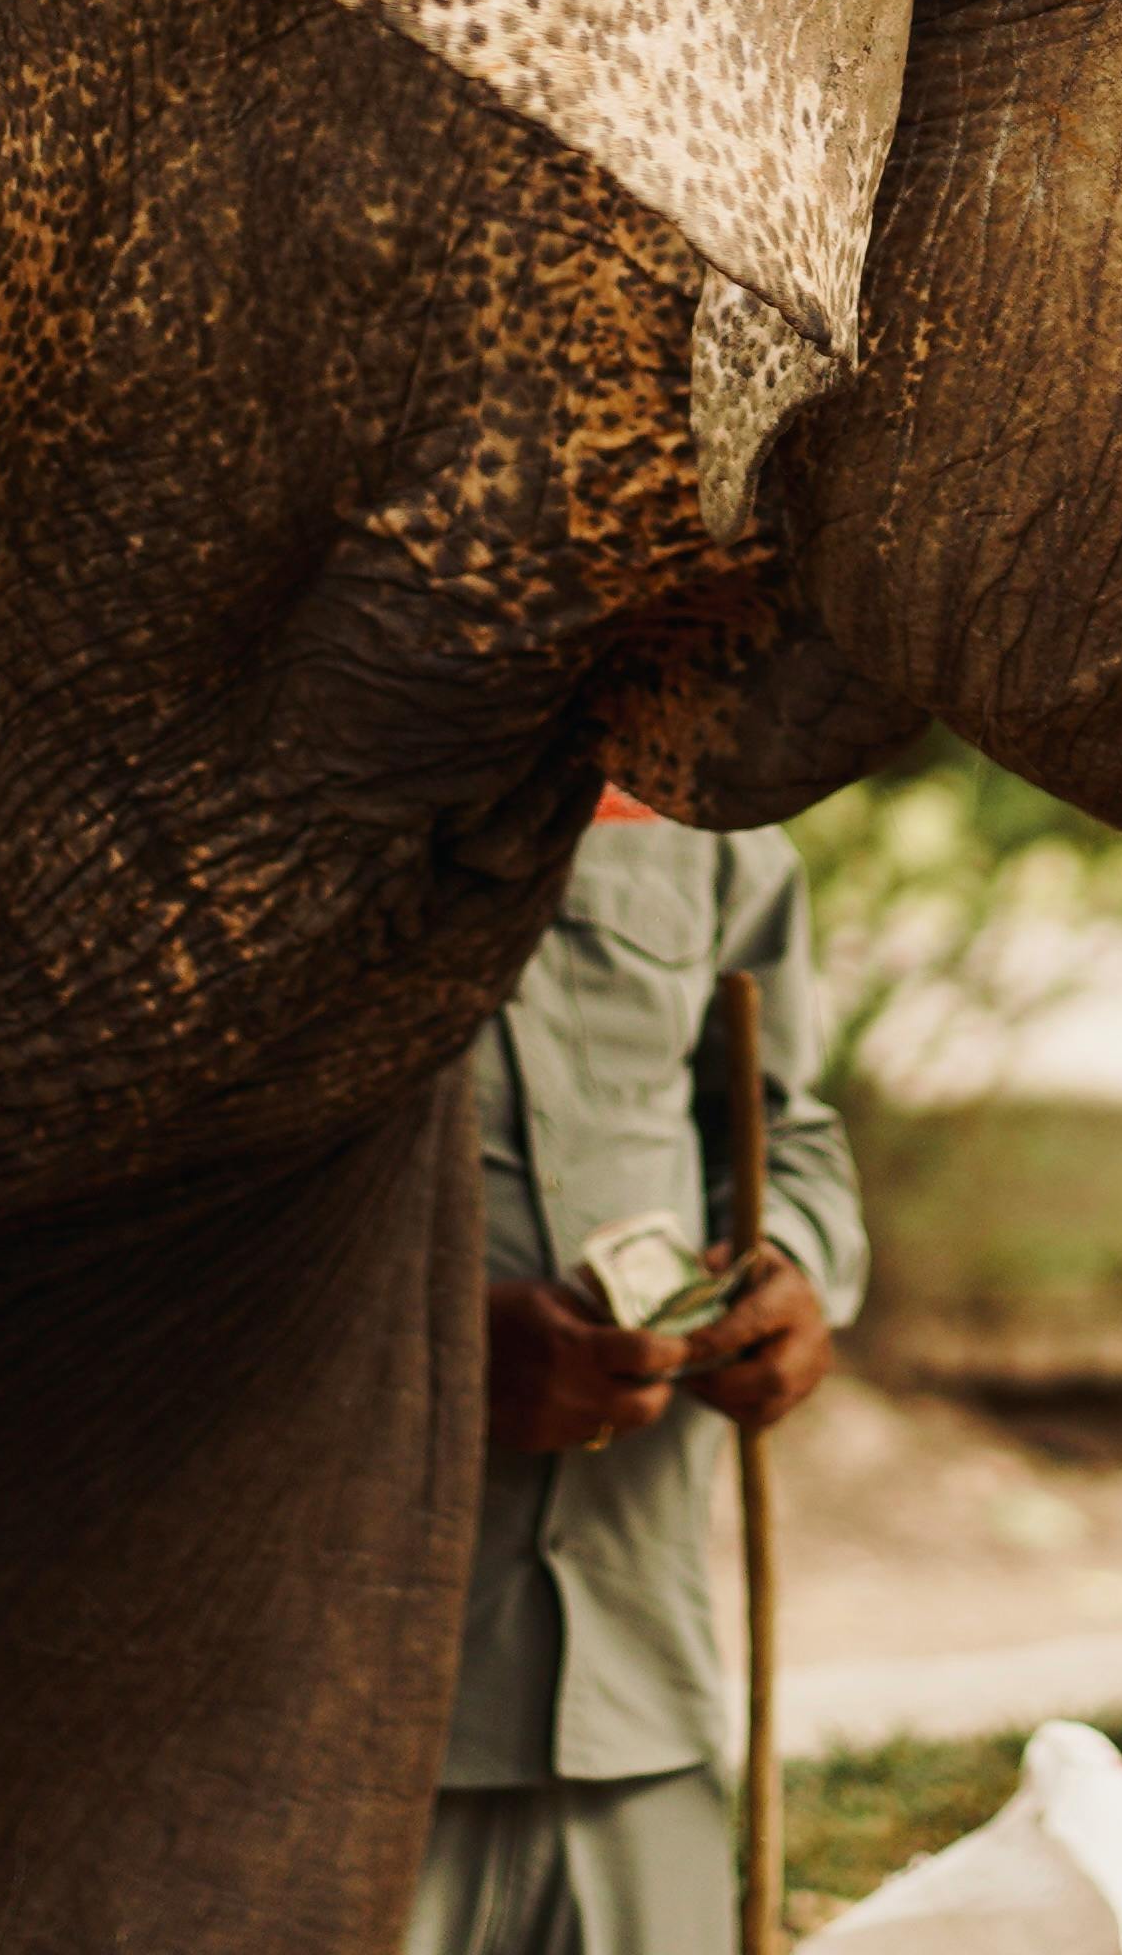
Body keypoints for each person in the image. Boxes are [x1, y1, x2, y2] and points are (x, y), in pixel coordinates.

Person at [411, 793, 866, 1955]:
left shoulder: (702, 813)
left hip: (638, 1682)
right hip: (357, 1708)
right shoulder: (282, 787)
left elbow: (784, 1135)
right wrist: (437, 1353)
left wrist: (793, 1274)